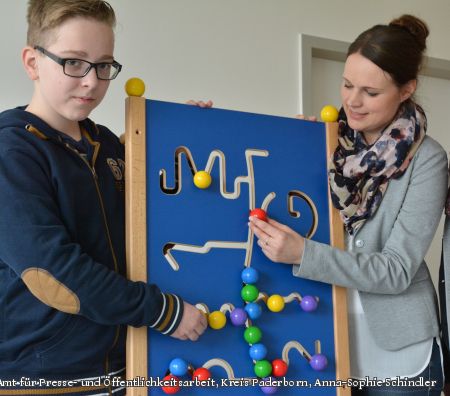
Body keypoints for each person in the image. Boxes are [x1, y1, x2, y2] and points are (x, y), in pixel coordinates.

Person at [0, 1, 207, 394]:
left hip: (123, 370)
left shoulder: (107, 145)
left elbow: (165, 208)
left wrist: (189, 135)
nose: (92, 81)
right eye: (75, 63)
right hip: (46, 380)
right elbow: (53, 273)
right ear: (32, 62)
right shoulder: (12, 152)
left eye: (104, 65)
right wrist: (163, 311)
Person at [249, 15, 447, 395]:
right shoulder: (322, 142)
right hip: (325, 338)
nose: (353, 102)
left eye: (371, 93)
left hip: (400, 356)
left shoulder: (428, 160)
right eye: (347, 85)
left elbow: (395, 271)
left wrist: (304, 254)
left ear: (407, 89)